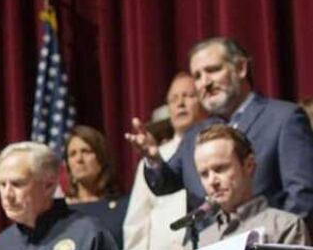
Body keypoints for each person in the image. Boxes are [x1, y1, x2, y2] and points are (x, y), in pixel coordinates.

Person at [127, 36, 313, 220]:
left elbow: (302, 195)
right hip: (206, 245)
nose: (205, 83)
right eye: (197, 76)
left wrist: (279, 241)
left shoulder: (283, 118)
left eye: (213, 70)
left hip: (265, 243)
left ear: (240, 68)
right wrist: (154, 159)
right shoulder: (195, 134)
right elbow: (164, 184)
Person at [0, 142, 120, 250]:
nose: (7, 195)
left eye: (17, 184)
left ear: (48, 186)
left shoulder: (88, 234)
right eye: (2, 184)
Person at [122, 72, 209, 250]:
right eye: (174, 99)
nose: (180, 104)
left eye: (188, 96)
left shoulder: (215, 149)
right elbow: (137, 220)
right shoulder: (154, 157)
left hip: (205, 249)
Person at [194, 125, 309, 247]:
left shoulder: (286, 226)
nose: (212, 181)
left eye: (220, 168)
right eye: (204, 174)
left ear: (248, 165)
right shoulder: (202, 240)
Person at [63, 125, 129, 250]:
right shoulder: (59, 211)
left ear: (101, 157)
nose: (79, 159)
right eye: (72, 154)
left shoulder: (124, 206)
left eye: (86, 151)